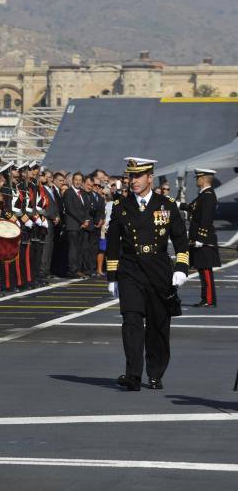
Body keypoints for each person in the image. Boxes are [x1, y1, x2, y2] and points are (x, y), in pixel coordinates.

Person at [106, 157, 189, 391]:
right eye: (130, 176)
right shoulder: (121, 207)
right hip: (130, 270)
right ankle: (133, 375)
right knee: (131, 320)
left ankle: (155, 372)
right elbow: (113, 243)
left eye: (138, 176)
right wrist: (112, 277)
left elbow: (181, 241)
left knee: (158, 326)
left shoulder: (167, 205)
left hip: (159, 271)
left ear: (150, 178)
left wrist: (181, 268)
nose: (132, 181)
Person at [186, 168, 221, 307]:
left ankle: (209, 299)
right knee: (202, 269)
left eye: (198, 177)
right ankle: (205, 297)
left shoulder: (208, 195)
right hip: (199, 239)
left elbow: (206, 219)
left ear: (203, 179)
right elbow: (191, 207)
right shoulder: (203, 194)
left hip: (204, 240)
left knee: (206, 270)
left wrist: (201, 238)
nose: (196, 180)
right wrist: (175, 204)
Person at [62, 172, 90, 278]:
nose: (78, 182)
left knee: (79, 248)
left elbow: (87, 207)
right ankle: (72, 270)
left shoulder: (83, 193)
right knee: (73, 248)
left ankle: (78, 269)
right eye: (76, 179)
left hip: (82, 225)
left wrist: (86, 220)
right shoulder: (68, 193)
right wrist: (82, 220)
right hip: (73, 224)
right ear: (72, 180)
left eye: (80, 180)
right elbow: (70, 209)